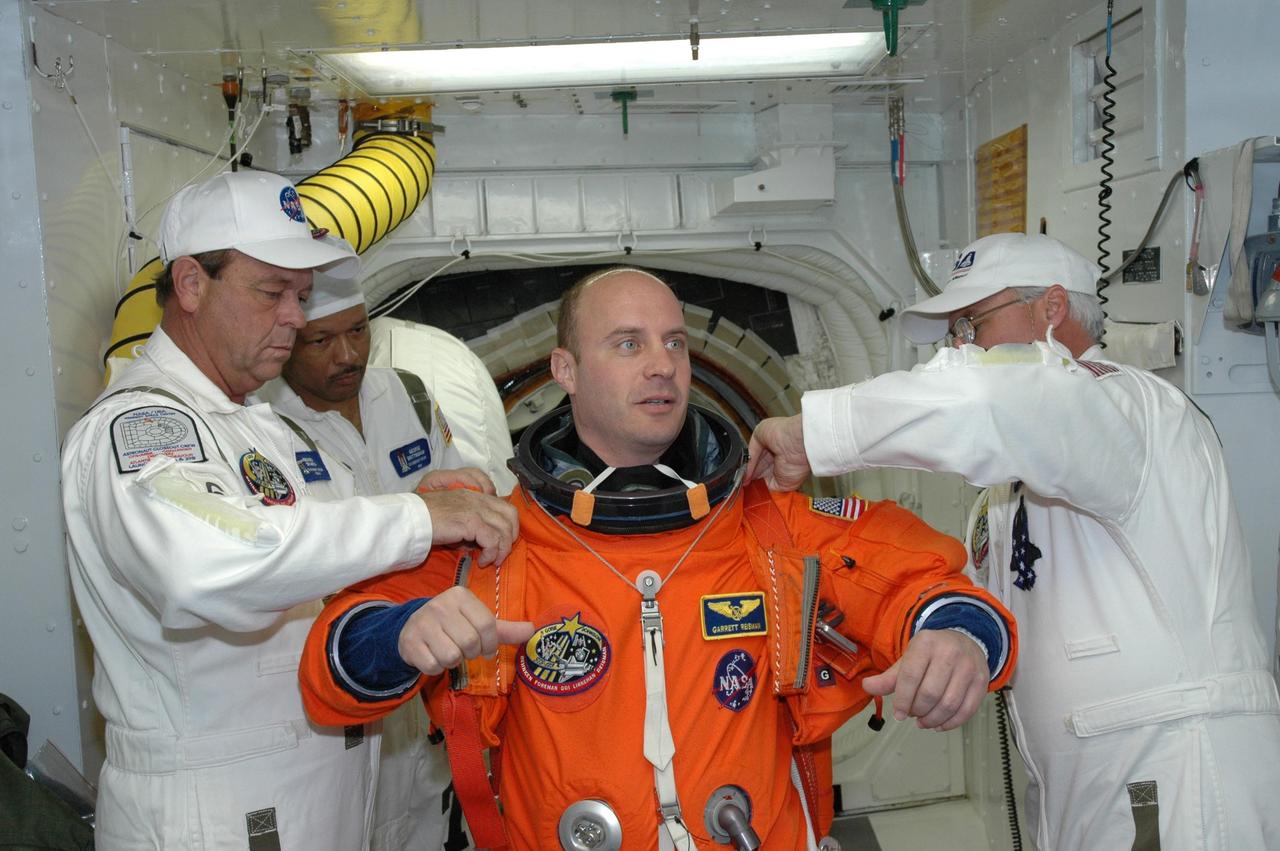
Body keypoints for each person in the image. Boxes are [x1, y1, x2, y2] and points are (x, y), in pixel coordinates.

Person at [298, 267, 1019, 850]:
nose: (662, 366)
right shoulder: (493, 539)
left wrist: (954, 636)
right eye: (627, 343)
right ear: (565, 369)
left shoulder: (766, 527)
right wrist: (397, 635)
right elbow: (333, 665)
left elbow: (924, 583)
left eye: (674, 343)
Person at [746, 232, 1280, 851]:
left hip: (1176, 770)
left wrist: (810, 432)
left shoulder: (1132, 410)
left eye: (970, 325)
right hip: (1083, 780)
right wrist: (958, 639)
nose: (960, 349)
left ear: (1051, 309)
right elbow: (997, 600)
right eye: (955, 334)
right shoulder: (1009, 493)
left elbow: (987, 400)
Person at [60, 169, 525, 850]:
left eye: (301, 295)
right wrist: (421, 520)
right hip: (216, 812)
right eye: (272, 292)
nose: (296, 317)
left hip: (320, 798)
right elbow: (210, 565)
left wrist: (429, 507)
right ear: (190, 284)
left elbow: (323, 548)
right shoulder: (140, 427)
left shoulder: (259, 425)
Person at [256, 266, 501, 850]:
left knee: (426, 820)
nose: (347, 354)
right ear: (287, 335)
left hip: (428, 669)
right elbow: (291, 559)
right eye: (321, 340)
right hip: (335, 676)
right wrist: (418, 513)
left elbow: (466, 512)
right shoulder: (262, 427)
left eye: (360, 332)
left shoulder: (409, 395)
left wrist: (463, 492)